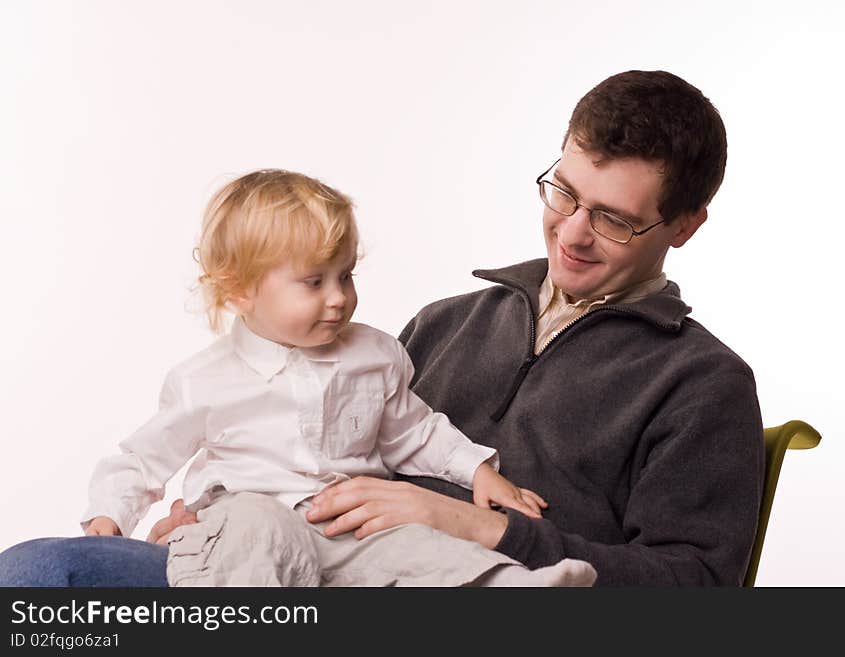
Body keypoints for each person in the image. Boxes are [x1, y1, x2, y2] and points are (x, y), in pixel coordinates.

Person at [0, 69, 763, 587]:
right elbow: (318, 438)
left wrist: (479, 527)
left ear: (685, 225)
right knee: (38, 577)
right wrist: (207, 511)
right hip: (302, 560)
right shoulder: (441, 325)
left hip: (451, 583)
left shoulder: (700, 384)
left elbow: (693, 586)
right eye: (564, 192)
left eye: (614, 220)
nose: (571, 233)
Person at [8, 169, 599, 587]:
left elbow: (413, 432)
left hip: (344, 525)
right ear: (240, 291)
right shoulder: (206, 379)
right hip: (242, 523)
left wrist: (478, 470)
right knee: (257, 530)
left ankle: (514, 589)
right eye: (313, 282)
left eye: (346, 276)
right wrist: (109, 518)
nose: (339, 298)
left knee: (418, 549)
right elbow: (142, 459)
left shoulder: (374, 354)